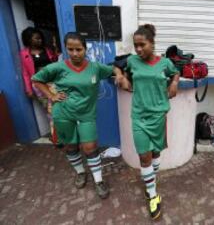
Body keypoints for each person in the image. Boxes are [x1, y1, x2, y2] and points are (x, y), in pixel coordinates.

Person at [32, 32, 124, 199]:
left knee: (90, 147)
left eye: (78, 49)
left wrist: (118, 74)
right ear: (66, 49)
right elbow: (37, 79)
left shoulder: (95, 67)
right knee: (71, 146)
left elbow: (113, 67)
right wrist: (51, 96)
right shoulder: (57, 67)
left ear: (85, 49)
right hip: (63, 114)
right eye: (70, 49)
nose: (75, 53)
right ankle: (81, 173)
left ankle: (98, 181)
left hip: (86, 115)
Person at [120, 24, 180, 220]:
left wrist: (174, 83)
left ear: (152, 44)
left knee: (155, 153)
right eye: (135, 45)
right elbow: (118, 66)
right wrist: (122, 76)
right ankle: (153, 194)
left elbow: (176, 72)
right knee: (144, 157)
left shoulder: (165, 63)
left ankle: (150, 182)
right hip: (138, 116)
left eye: (142, 45)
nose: (138, 49)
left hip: (158, 116)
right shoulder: (132, 61)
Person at [20, 27, 59, 142]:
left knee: (58, 107)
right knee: (48, 110)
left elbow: (55, 62)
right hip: (38, 86)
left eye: (40, 38)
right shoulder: (24, 54)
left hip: (52, 83)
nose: (39, 40)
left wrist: (55, 50)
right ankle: (55, 136)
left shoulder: (47, 50)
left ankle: (61, 133)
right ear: (28, 40)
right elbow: (26, 73)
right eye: (36, 38)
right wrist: (28, 89)